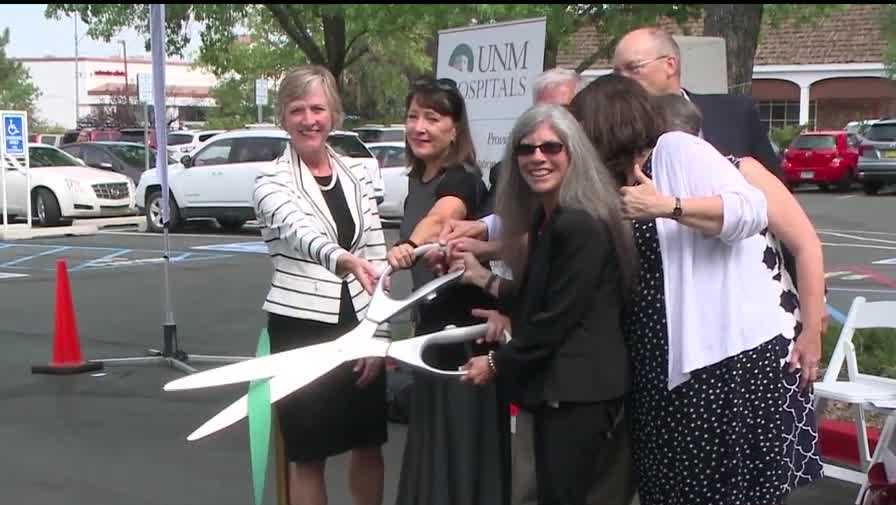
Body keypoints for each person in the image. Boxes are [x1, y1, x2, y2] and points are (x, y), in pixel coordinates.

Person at [570, 72, 813, 505]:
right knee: (667, 489)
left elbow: (749, 209)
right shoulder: (616, 181)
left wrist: (668, 206)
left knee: (713, 492)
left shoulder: (676, 150)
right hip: (658, 362)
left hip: (718, 362)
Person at [453, 103, 636, 505]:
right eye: (526, 148)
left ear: (573, 153)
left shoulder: (579, 223)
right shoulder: (548, 218)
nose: (537, 157)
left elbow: (555, 320)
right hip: (563, 389)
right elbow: (544, 295)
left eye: (551, 148)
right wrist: (486, 280)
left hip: (579, 393)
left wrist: (496, 363)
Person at [655, 93, 825, 491]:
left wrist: (812, 331)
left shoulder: (742, 171)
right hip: (706, 355)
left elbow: (806, 245)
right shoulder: (651, 191)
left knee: (761, 478)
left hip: (765, 342)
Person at [252, 65, 388, 505]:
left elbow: (377, 253)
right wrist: (341, 258)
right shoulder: (270, 181)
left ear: (334, 114)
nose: (309, 119)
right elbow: (299, 232)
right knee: (308, 452)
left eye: (317, 108)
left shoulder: (357, 175)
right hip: (300, 327)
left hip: (360, 323)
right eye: (297, 110)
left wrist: (379, 333)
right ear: (283, 118)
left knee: (368, 441)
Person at [388, 77, 508, 505]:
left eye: (432, 118)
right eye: (413, 116)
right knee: (433, 445)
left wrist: (409, 247)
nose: (419, 126)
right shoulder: (417, 181)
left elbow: (443, 218)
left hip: (465, 333)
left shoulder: (463, 178)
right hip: (431, 330)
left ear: (455, 129)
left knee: (461, 446)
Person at [612, 27, 781, 178]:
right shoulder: (612, 129)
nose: (622, 81)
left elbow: (777, 190)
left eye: (633, 68)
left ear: (669, 65)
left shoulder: (736, 113)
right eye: (617, 73)